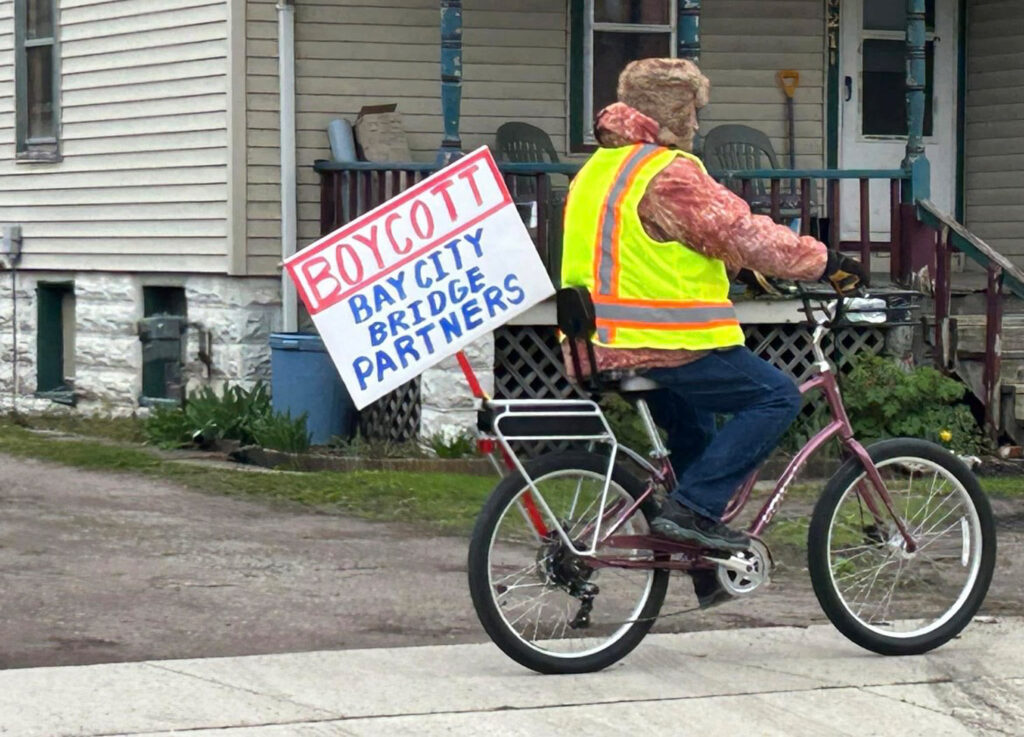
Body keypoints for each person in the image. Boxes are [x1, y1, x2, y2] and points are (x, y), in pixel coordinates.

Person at [560, 58, 866, 608]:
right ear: (671, 111)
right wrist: (827, 263)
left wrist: (740, 267)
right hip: (662, 343)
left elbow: (658, 246)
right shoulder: (667, 172)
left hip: (600, 342)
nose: (698, 125)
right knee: (774, 397)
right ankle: (694, 514)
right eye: (694, 112)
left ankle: (701, 565)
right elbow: (741, 231)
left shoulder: (602, 169)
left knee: (697, 440)